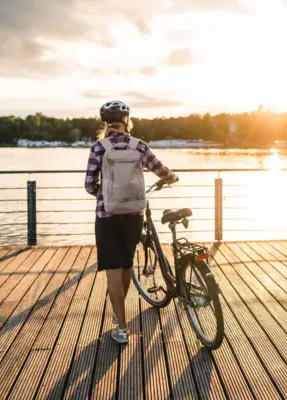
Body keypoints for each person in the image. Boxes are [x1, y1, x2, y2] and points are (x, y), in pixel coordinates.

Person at [85, 100, 177, 344]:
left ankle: (122, 328)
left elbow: (88, 184)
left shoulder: (99, 147)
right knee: (126, 266)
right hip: (134, 215)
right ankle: (120, 318)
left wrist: (104, 195)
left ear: (106, 123)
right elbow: (162, 172)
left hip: (107, 217)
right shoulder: (140, 145)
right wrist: (172, 178)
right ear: (127, 121)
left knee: (112, 270)